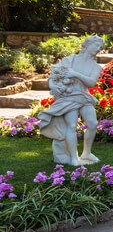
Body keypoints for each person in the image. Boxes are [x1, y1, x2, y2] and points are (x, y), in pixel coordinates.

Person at [37, 36, 105, 165]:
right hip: (68, 97)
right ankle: (74, 157)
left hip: (83, 96)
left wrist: (75, 74)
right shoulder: (70, 60)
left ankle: (87, 152)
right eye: (96, 46)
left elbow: (91, 83)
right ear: (87, 45)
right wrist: (53, 87)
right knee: (72, 126)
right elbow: (53, 76)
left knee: (93, 124)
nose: (98, 49)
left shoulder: (96, 67)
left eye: (100, 48)